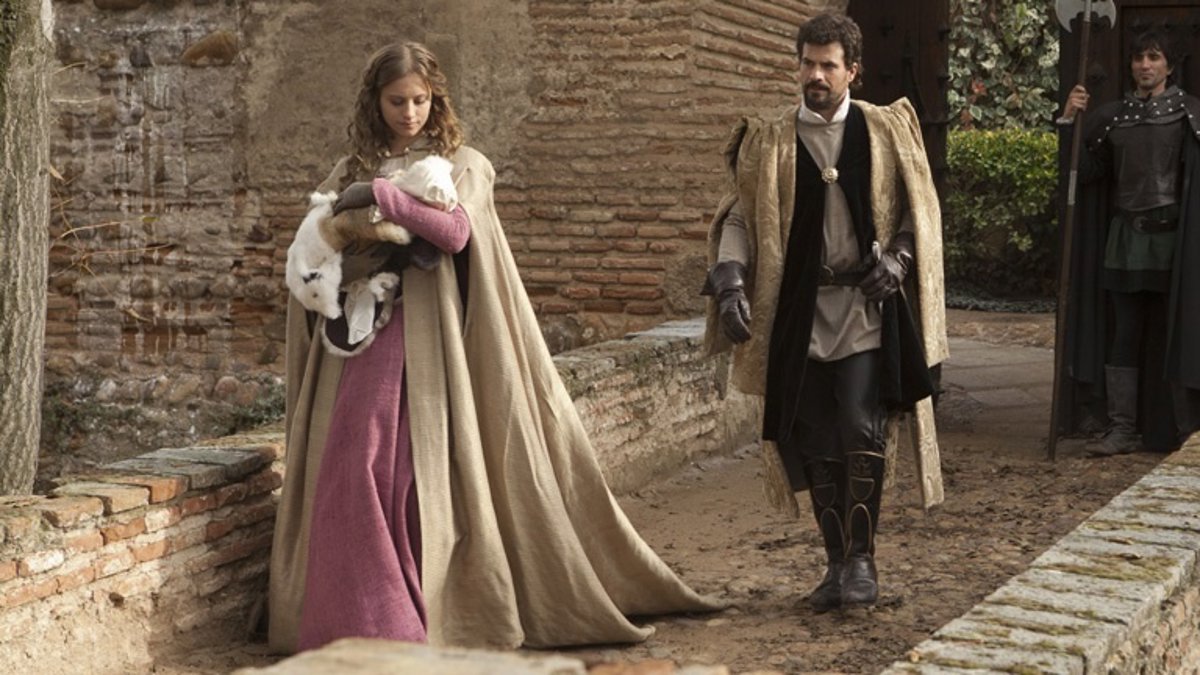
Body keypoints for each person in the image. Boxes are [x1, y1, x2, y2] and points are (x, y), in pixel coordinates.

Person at [267, 41, 719, 654]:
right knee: (355, 462)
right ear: (375, 103)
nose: (409, 113)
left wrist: (381, 197)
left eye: (420, 100)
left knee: (413, 475)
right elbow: (316, 239)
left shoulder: (463, 164)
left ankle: (413, 613)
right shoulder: (350, 166)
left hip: (435, 343)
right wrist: (339, 225)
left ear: (436, 99)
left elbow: (454, 232)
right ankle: (358, 618)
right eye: (397, 101)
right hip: (358, 337)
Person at [702, 13, 947, 613]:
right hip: (799, 313)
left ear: (852, 71)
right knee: (813, 438)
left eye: (828, 65)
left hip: (865, 309)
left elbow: (919, 207)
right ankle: (835, 563)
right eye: (807, 64)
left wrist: (900, 259)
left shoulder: (885, 130)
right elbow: (739, 218)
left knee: (860, 429)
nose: (815, 75)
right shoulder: (769, 139)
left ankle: (863, 562)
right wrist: (730, 281)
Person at [1057, 28, 1200, 456]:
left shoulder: (1190, 115)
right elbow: (1085, 173)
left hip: (1175, 244)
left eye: (1153, 57)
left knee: (1177, 331)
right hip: (1125, 241)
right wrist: (1069, 121)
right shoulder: (1112, 118)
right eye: (1139, 58)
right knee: (1125, 332)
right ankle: (1121, 429)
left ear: (1169, 66)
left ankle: (1186, 430)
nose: (1144, 65)